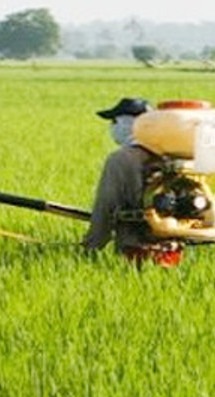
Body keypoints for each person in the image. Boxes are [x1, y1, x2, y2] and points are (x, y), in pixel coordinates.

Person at [79, 96, 185, 269]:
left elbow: (105, 206)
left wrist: (91, 245)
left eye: (114, 121)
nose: (112, 127)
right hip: (172, 246)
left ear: (128, 123)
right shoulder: (171, 157)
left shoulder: (121, 159)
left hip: (135, 248)